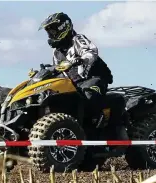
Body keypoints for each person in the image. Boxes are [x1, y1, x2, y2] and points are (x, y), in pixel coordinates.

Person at [38, 12, 127, 140]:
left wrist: (79, 60)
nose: (51, 35)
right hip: (74, 83)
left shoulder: (78, 39)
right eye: (49, 32)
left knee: (88, 95)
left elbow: (91, 52)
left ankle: (102, 126)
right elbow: (58, 69)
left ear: (63, 27)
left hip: (93, 77)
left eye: (53, 31)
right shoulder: (57, 52)